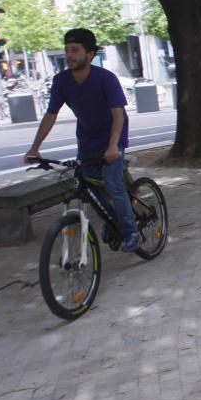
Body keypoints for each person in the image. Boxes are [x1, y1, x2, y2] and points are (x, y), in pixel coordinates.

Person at [22, 28, 141, 251]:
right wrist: (35, 148)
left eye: (75, 50)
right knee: (90, 189)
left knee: (114, 185)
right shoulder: (61, 81)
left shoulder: (105, 78)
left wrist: (114, 145)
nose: (70, 55)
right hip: (87, 139)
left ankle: (131, 231)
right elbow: (50, 115)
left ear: (90, 54)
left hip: (113, 135)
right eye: (67, 50)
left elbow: (118, 114)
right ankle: (112, 218)